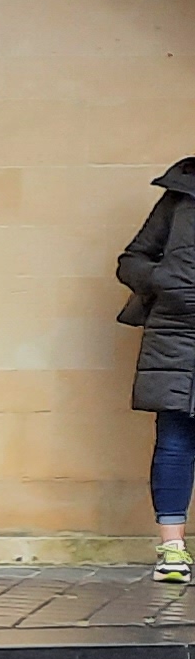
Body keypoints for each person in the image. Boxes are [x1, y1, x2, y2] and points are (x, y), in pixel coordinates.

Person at [116, 158, 195, 581]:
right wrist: (165, 280)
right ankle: (172, 550)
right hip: (177, 333)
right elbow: (131, 260)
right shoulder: (180, 197)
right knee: (176, 440)